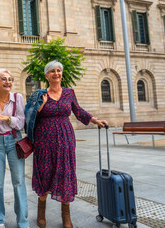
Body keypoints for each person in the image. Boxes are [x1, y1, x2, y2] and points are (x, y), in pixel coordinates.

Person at [25, 60, 107, 228]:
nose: (56, 73)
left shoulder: (69, 92)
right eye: (52, 71)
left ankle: (66, 216)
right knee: (45, 172)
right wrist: (41, 106)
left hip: (65, 139)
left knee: (65, 173)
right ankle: (41, 214)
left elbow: (78, 110)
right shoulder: (39, 94)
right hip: (44, 140)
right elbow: (29, 117)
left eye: (58, 71)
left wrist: (94, 120)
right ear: (46, 75)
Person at [0, 69, 29, 228]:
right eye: (4, 79)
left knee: (18, 181)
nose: (8, 82)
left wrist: (6, 118)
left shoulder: (17, 98)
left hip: (14, 140)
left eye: (10, 79)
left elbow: (21, 122)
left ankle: (23, 221)